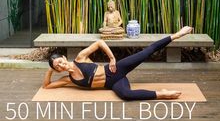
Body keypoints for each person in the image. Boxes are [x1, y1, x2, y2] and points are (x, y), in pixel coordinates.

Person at [43, 26, 193, 101]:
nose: (61, 66)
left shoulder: (80, 58)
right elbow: (46, 86)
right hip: (114, 83)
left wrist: (112, 59)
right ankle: (162, 94)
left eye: (60, 62)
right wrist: (50, 70)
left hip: (115, 69)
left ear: (64, 57)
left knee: (146, 53)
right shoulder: (69, 80)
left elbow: (100, 42)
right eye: (58, 67)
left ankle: (177, 34)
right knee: (126, 95)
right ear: (58, 70)